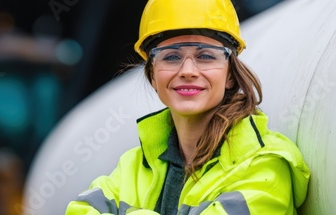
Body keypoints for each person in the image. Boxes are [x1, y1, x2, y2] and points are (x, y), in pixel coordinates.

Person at [65, 0, 310, 214]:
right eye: (171, 57)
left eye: (206, 56)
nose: (188, 71)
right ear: (152, 75)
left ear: (230, 75)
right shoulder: (135, 165)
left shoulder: (264, 165)